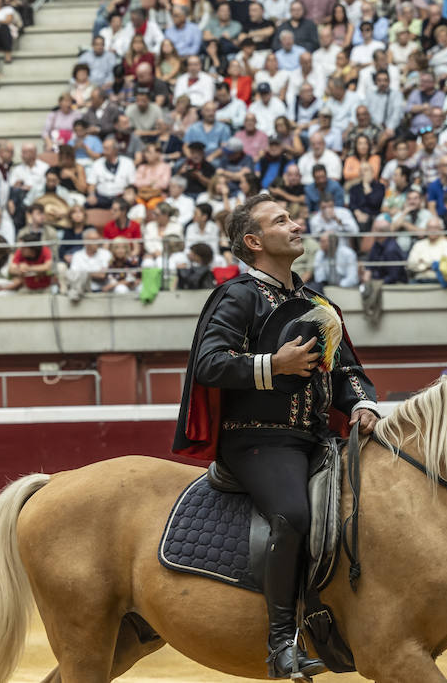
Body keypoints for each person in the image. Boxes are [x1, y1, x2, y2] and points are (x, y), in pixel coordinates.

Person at [172, 194, 378, 678]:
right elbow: (208, 363)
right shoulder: (238, 295)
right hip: (257, 440)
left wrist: (363, 403)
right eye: (281, 220)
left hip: (318, 440)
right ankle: (281, 641)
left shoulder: (316, 301)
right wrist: (273, 365)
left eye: (292, 216)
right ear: (254, 241)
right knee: (292, 514)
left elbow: (346, 369)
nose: (296, 224)